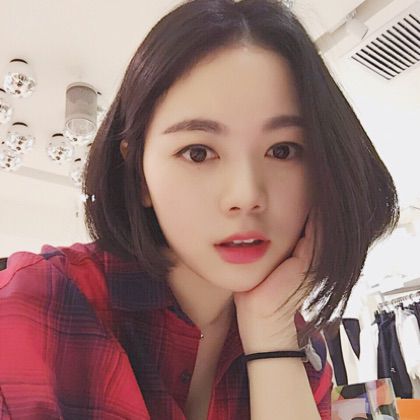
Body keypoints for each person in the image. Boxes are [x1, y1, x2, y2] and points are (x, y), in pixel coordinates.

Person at [0, 0, 399, 419]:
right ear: (138, 174)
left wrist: (270, 334)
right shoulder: (33, 308)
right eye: (198, 152)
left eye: (282, 150)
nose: (246, 195)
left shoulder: (300, 346)